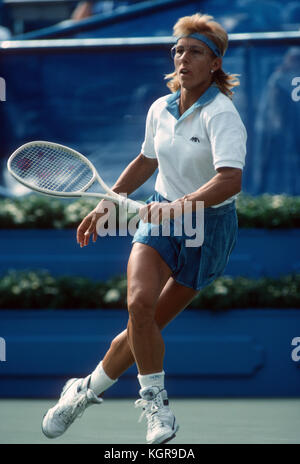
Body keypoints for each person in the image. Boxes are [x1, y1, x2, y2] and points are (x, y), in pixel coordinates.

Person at [41, 13, 247, 444]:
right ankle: (157, 406)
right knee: (139, 305)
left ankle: (82, 391)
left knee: (148, 324)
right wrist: (107, 202)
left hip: (207, 229)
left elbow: (230, 180)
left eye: (194, 52)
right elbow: (147, 161)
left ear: (214, 63)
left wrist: (180, 208)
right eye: (178, 50)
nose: (182, 58)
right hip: (161, 218)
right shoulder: (160, 108)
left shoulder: (223, 115)